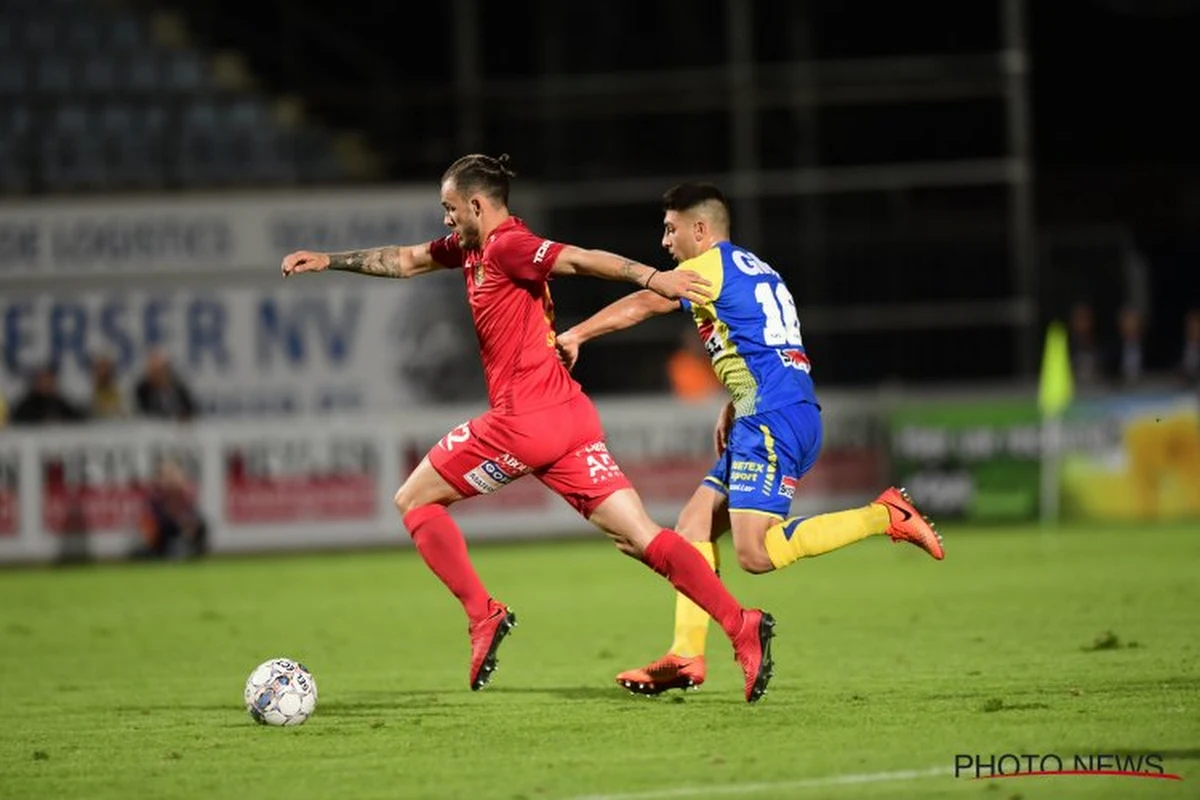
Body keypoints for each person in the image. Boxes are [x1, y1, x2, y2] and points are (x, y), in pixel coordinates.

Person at [280, 154, 776, 703]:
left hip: (522, 423)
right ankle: (741, 625)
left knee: (414, 499)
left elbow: (583, 261)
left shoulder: (508, 246)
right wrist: (329, 260)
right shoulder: (470, 248)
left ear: (476, 205)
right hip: (569, 418)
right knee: (643, 538)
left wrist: (652, 276)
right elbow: (407, 259)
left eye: (449, 209)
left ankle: (482, 615)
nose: (445, 220)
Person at [554, 183, 944, 695]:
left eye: (671, 229)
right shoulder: (756, 268)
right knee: (693, 522)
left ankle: (884, 515)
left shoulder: (708, 267)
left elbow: (651, 300)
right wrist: (734, 401)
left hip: (772, 421)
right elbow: (770, 343)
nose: (665, 242)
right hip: (779, 411)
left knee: (754, 555)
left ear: (701, 229)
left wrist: (577, 334)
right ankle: (686, 655)